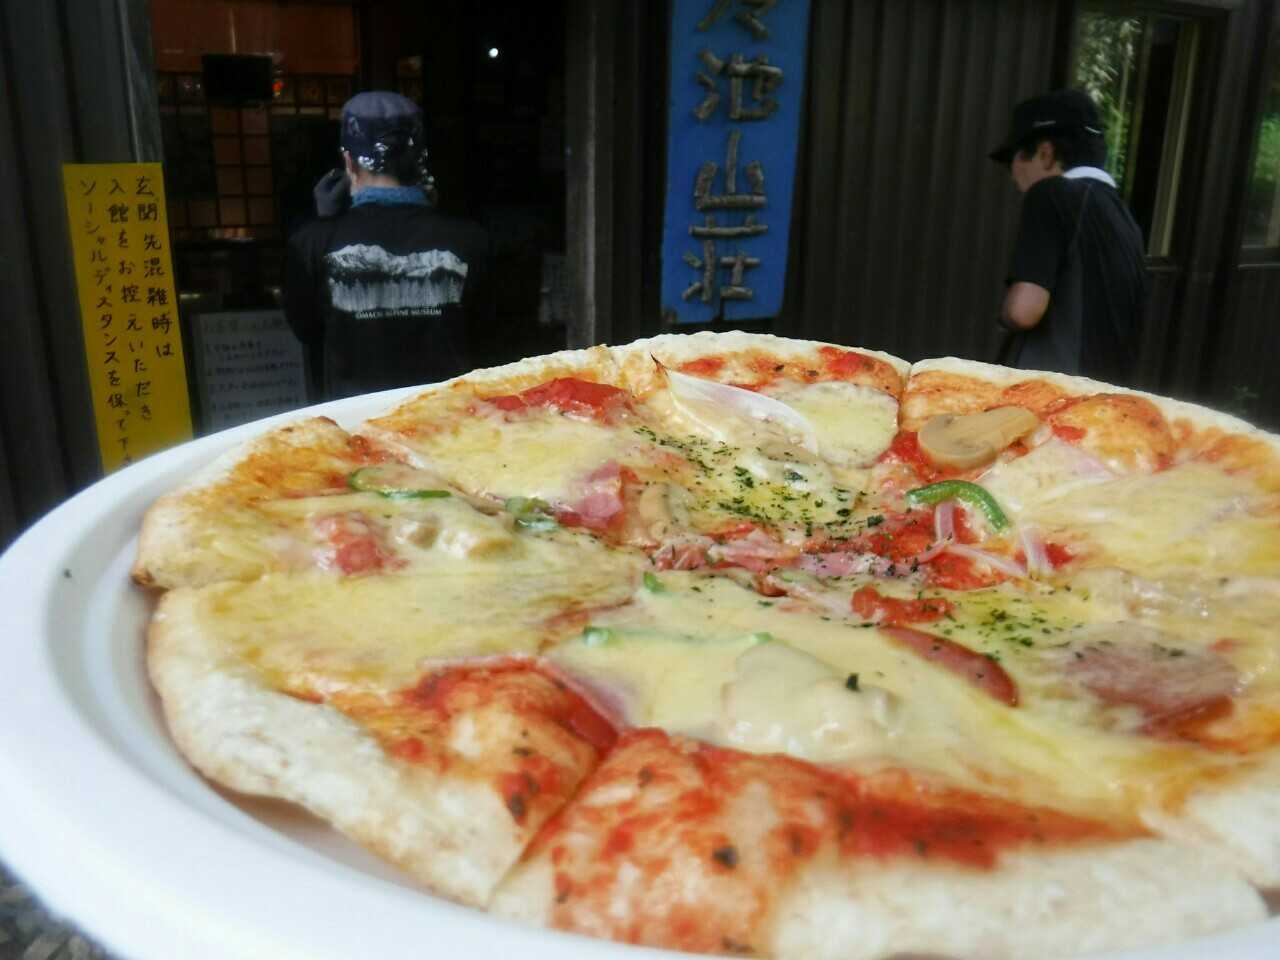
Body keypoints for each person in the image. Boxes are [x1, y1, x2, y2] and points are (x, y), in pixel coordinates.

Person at [284, 91, 489, 400]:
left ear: (348, 160)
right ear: (419, 159)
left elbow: (307, 330)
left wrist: (328, 228)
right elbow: (485, 330)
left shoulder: (310, 242)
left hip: (354, 418)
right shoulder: (470, 239)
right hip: (447, 415)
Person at [989, 89, 1147, 384]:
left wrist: (1005, 313)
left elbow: (1024, 310)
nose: (1012, 175)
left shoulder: (1050, 193)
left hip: (1052, 391)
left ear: (1045, 153)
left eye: (1013, 159)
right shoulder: (1123, 217)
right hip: (1107, 394)